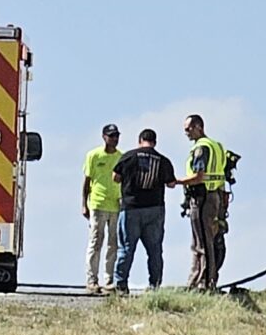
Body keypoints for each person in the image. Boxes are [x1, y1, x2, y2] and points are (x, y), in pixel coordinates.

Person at [111, 128, 177, 294]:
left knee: (126, 248)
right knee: (155, 250)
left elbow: (115, 177)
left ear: (140, 140)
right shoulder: (163, 160)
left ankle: (121, 285)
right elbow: (171, 184)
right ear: (155, 142)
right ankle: (154, 285)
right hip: (155, 209)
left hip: (131, 208)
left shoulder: (128, 157)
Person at [183, 113, 234, 290]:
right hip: (215, 196)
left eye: (189, 129)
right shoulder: (217, 146)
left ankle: (204, 281)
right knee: (204, 241)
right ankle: (197, 280)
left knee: (203, 242)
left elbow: (199, 176)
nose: (186, 133)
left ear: (199, 127)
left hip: (202, 198)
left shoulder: (201, 148)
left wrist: (178, 181)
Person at [81, 124, 124, 294]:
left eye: (116, 136)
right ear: (104, 137)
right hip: (98, 203)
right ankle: (92, 280)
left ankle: (109, 280)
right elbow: (87, 181)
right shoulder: (93, 155)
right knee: (96, 242)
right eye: (111, 136)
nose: (115, 139)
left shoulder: (121, 157)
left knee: (114, 244)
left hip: (116, 205)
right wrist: (84, 204)